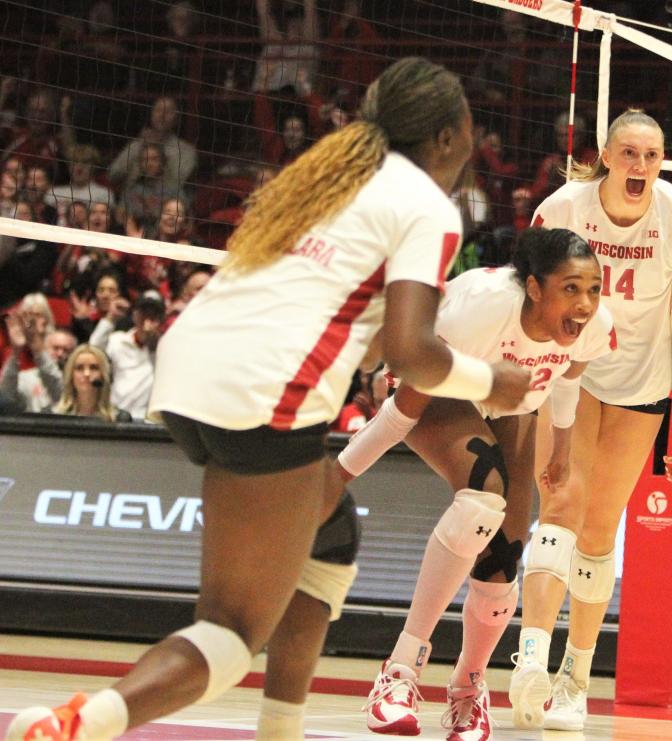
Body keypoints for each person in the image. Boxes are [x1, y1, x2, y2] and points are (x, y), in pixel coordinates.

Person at [4, 56, 530, 741]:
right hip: (261, 390)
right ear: (447, 136)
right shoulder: (427, 206)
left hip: (190, 365)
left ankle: (280, 728)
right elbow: (410, 354)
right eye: (467, 125)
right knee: (228, 633)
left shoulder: (326, 175)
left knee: (333, 533)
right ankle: (76, 723)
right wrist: (495, 380)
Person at [336, 227, 613, 740]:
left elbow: (569, 379)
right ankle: (399, 673)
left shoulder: (595, 326)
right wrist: (339, 475)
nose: (586, 303)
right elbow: (401, 413)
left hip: (511, 405)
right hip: (438, 381)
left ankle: (469, 689)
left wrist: (564, 449)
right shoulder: (480, 311)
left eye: (594, 289)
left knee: (504, 559)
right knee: (483, 496)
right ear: (534, 288)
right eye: (571, 289)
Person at [509, 109, 672, 732]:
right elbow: (527, 299)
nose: (640, 167)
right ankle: (533, 663)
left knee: (598, 532)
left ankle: (576, 678)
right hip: (572, 369)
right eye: (629, 154)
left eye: (651, 157)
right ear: (605, 154)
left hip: (639, 382)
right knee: (559, 504)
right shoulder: (562, 210)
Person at [51, 344, 131, 422]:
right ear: (71, 375)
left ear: (103, 375)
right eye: (79, 368)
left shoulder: (120, 419)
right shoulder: (52, 415)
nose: (87, 374)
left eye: (94, 368)